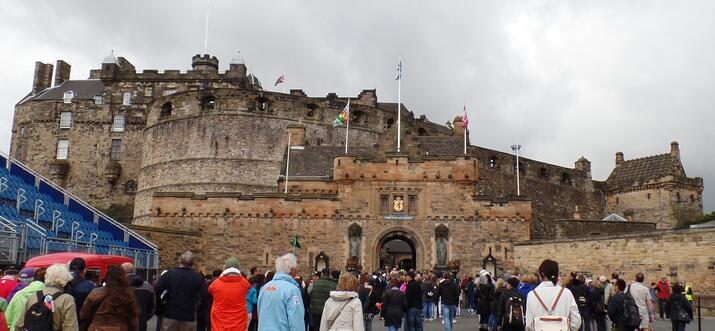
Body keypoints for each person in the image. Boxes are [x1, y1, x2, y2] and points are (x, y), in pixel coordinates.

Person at [154, 251, 208, 331]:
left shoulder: (170, 274)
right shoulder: (198, 278)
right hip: (188, 315)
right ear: (193, 263)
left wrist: (160, 306)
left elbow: (157, 289)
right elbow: (204, 297)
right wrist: (199, 311)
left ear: (180, 261)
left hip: (170, 314)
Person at [14, 263, 78, 330]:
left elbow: (19, 324)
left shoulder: (34, 296)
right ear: (66, 279)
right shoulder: (67, 299)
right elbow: (71, 327)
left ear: (46, 277)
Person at [525, 259, 581, 331]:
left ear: (542, 274)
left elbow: (529, 324)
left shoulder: (532, 295)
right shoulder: (567, 293)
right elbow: (576, 322)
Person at [79, 265, 139, 331]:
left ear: (107, 277)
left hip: (97, 328)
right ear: (123, 278)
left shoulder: (96, 293)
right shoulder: (127, 295)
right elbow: (133, 320)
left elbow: (83, 314)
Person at [257, 253, 305, 331]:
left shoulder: (264, 288)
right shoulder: (292, 290)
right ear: (292, 270)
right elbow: (296, 320)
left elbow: (260, 313)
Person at [208, 257, 251, 331]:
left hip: (219, 325)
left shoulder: (216, 284)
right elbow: (248, 287)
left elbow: (210, 290)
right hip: (239, 325)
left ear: (225, 268)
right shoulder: (244, 283)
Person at [121, 262, 154, 331]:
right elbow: (152, 307)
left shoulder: (118, 286)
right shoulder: (147, 286)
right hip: (141, 323)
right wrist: (144, 317)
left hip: (122, 323)